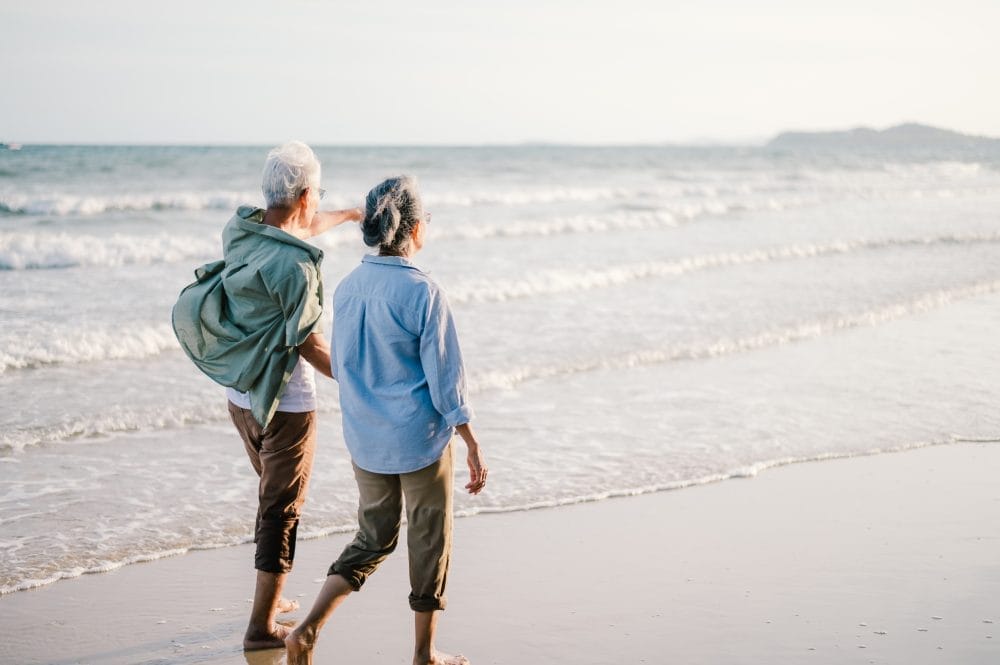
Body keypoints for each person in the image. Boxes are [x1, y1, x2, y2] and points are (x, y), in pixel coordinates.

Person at [286, 176, 488, 665]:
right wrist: (471, 440)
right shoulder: (424, 292)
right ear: (415, 228)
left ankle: (307, 629)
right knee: (429, 542)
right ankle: (424, 654)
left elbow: (347, 364)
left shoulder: (349, 288)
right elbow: (446, 380)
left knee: (373, 538)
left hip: (366, 439)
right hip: (420, 441)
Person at [171, 141, 362, 650]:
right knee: (282, 510)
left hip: (241, 399)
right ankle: (260, 628)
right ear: (303, 195)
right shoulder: (298, 269)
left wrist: (347, 215)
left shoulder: (241, 230)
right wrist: (359, 376)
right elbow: (309, 344)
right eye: (317, 195)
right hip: (287, 407)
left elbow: (297, 229)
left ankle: (270, 600)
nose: (318, 202)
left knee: (269, 501)